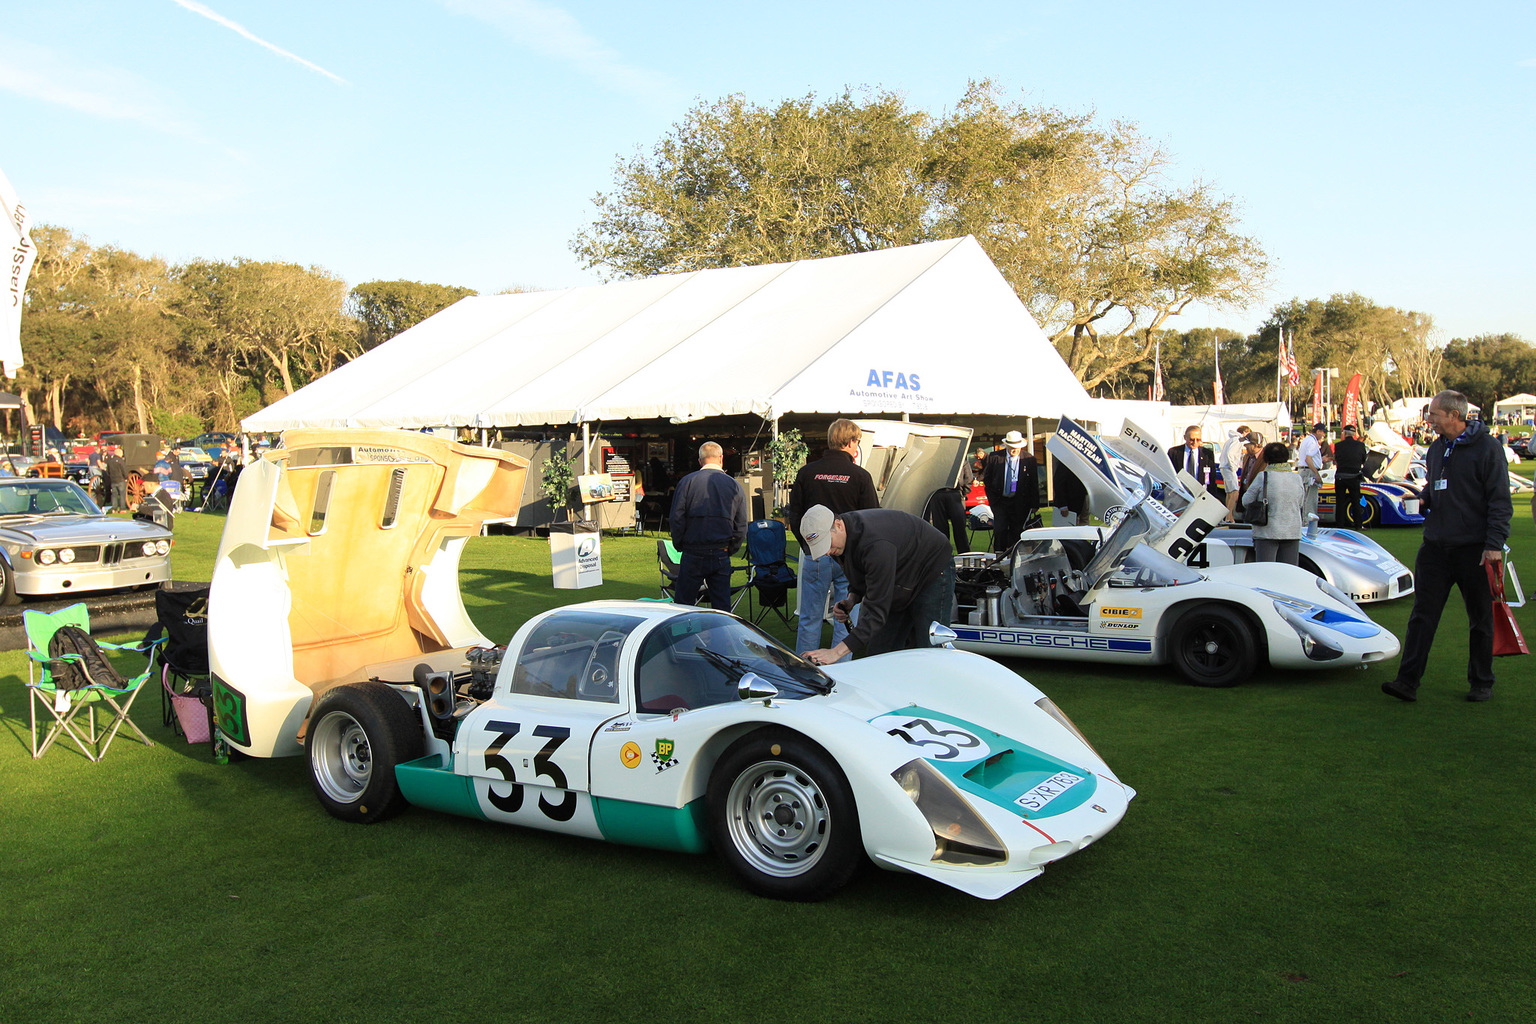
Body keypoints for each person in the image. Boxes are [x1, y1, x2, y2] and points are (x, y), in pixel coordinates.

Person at [1382, 391, 1512, 703]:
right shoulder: (1438, 448)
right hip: (1436, 547)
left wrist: (1494, 545)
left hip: (1475, 549)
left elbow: (1500, 501)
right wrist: (1424, 499)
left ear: (1455, 416)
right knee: (1421, 616)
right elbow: (1436, 486)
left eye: (1435, 414)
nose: (1429, 420)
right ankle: (1407, 681)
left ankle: (1482, 682)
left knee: (1480, 618)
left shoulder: (1488, 448)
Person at [798, 505, 956, 664]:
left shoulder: (875, 544)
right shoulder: (841, 542)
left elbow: (877, 611)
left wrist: (835, 653)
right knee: (879, 654)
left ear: (838, 525)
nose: (827, 552)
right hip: (899, 574)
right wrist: (852, 599)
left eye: (827, 543)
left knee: (930, 649)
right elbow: (861, 574)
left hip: (932, 570)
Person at [786, 419, 880, 660]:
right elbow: (872, 519)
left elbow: (794, 514)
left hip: (816, 553)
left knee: (810, 616)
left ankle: (805, 671)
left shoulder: (807, 472)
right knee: (846, 616)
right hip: (848, 558)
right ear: (851, 443)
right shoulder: (860, 475)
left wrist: (808, 544)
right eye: (856, 442)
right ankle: (841, 670)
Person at [668, 441, 748, 610]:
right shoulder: (734, 485)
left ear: (700, 461)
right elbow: (741, 524)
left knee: (684, 606)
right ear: (721, 458)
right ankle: (721, 636)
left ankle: (684, 636)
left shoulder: (687, 482)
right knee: (722, 607)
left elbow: (676, 517)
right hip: (720, 550)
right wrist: (731, 547)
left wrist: (680, 543)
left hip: (693, 550)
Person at [1242, 441, 1306, 564]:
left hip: (1267, 531)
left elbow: (1246, 501)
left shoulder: (1263, 477)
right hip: (1292, 532)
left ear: (1266, 458)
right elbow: (1300, 503)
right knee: (1289, 571)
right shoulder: (1296, 478)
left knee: (1267, 571)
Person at [981, 430, 1038, 554]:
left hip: (1020, 502)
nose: (1014, 450)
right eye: (1011, 447)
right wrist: (993, 499)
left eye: (1016, 448)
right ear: (1006, 445)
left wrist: (1034, 504)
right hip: (1000, 500)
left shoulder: (1029, 459)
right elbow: (987, 478)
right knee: (1000, 529)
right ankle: (998, 554)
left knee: (1017, 530)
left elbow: (1034, 482)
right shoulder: (995, 457)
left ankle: (1015, 556)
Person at [925, 453, 972, 555]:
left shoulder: (961, 462)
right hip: (942, 494)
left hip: (950, 494)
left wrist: (962, 493)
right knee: (946, 529)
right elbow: (969, 479)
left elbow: (969, 480)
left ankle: (961, 554)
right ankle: (949, 555)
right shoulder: (958, 462)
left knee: (956, 528)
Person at [1332, 424, 1369, 528]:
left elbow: (1337, 459)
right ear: (1354, 434)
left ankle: (1340, 524)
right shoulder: (1360, 445)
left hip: (1341, 476)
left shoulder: (1339, 445)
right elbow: (1363, 459)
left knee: (1340, 501)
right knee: (1355, 501)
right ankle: (1358, 524)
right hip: (1354, 475)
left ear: (1344, 433)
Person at [1170, 425, 1220, 499]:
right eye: (1192, 439)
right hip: (1180, 494)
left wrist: (1212, 497)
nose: (1195, 442)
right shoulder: (1174, 452)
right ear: (1185, 438)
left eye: (1198, 439)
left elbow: (1211, 477)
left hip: (1200, 495)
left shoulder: (1207, 454)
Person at [1220, 425, 1252, 521]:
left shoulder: (1231, 440)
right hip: (1229, 468)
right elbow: (1231, 454)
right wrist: (1233, 466)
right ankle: (1229, 516)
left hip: (1224, 467)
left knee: (1229, 493)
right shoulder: (1237, 440)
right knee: (1235, 492)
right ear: (1245, 432)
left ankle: (1228, 516)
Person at [1297, 423, 1327, 523]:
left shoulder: (1307, 440)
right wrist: (1316, 474)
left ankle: (1305, 522)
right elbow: (1308, 459)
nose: (1324, 435)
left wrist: (1321, 460)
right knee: (1310, 500)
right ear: (1318, 431)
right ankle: (1308, 524)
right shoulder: (1313, 442)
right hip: (1309, 471)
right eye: (1323, 433)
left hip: (1304, 470)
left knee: (1305, 498)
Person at [104, 444, 128, 512]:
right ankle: (122, 508)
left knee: (114, 495)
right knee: (122, 494)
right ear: (119, 454)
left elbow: (108, 471)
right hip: (120, 480)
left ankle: (114, 508)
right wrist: (126, 477)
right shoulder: (120, 461)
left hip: (113, 480)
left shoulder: (110, 461)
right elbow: (124, 470)